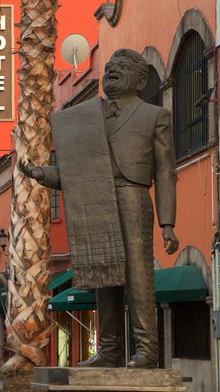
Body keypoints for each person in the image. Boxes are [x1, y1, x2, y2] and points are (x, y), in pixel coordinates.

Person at [21, 48, 177, 369]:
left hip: (133, 196)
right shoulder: (86, 118)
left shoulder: (154, 116)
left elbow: (164, 172)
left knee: (138, 274)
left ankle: (146, 349)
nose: (112, 70)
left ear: (140, 78)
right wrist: (41, 173)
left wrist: (167, 223)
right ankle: (109, 349)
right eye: (108, 67)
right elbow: (74, 173)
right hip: (95, 196)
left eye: (121, 66)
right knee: (106, 273)